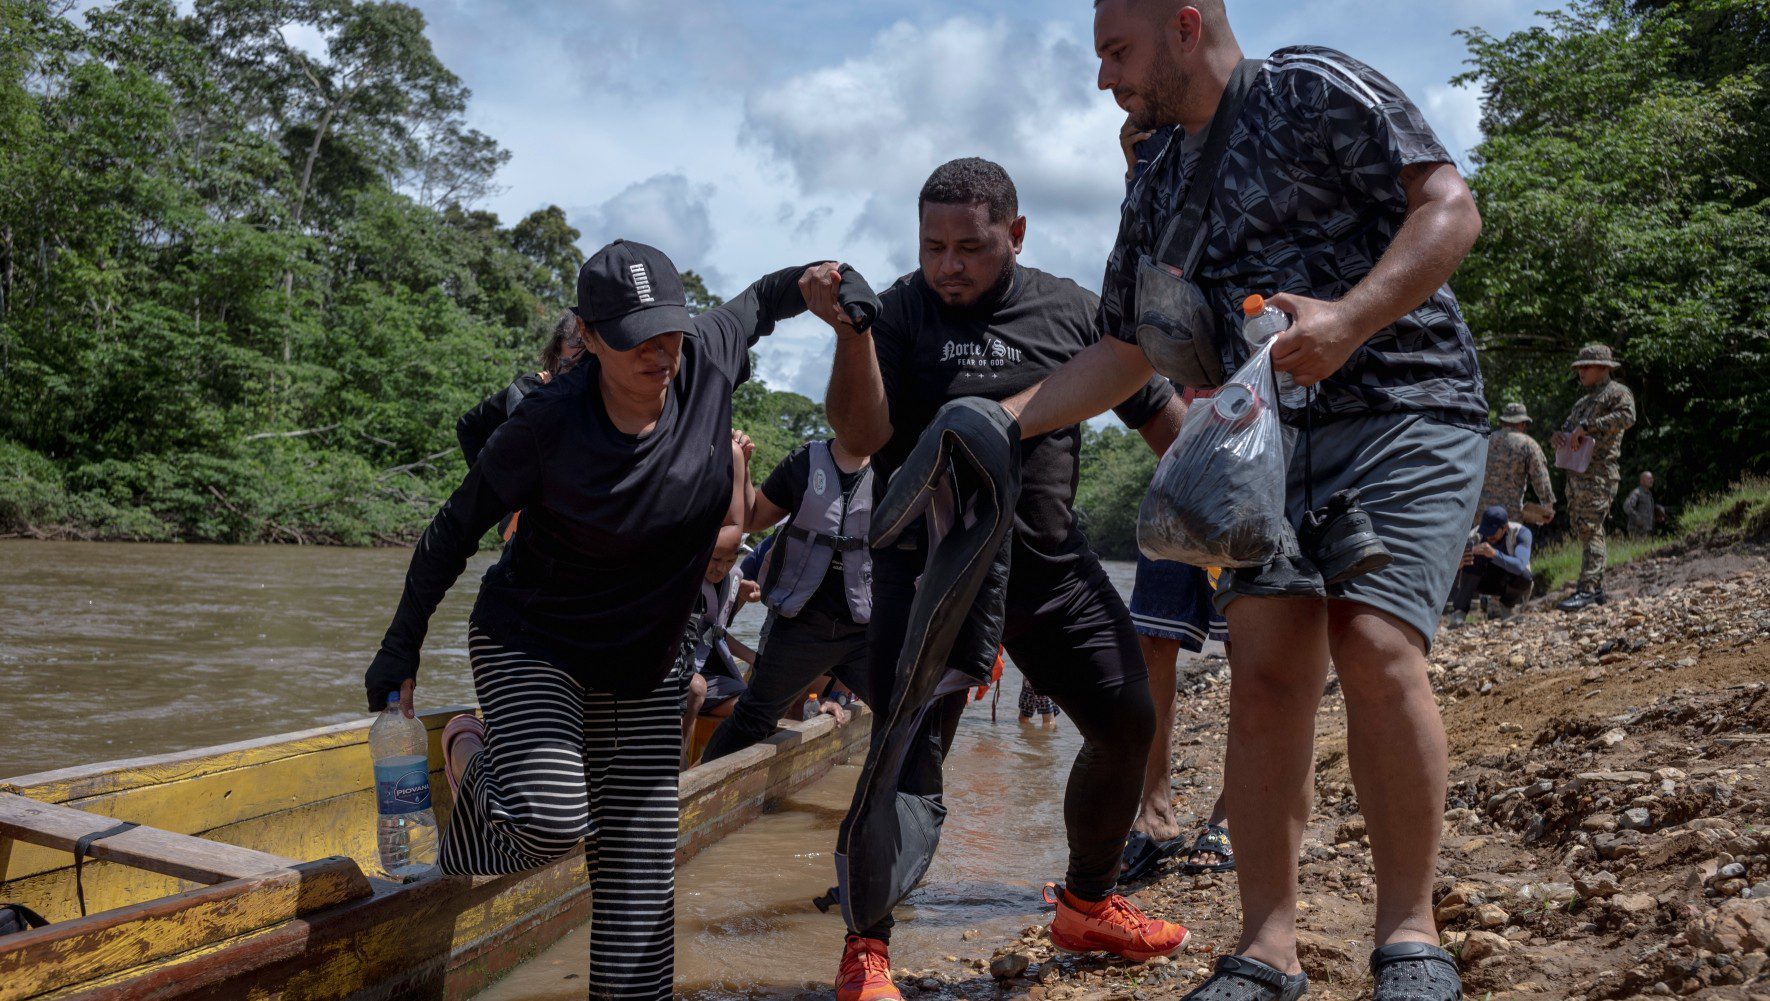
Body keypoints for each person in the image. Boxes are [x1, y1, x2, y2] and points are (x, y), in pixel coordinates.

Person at [998, 3, 1490, 998]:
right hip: (1263, 448)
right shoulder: (1159, 176)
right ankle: (1267, 949)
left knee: (1374, 640)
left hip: (1402, 407)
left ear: (1184, 26)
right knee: (1265, 668)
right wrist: (1000, 423)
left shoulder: (1314, 88)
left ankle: (1411, 935)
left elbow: (1449, 207)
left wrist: (1351, 318)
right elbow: (1125, 349)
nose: (1103, 80)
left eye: (1115, 52)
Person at [361, 240, 868, 1000]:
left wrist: (830, 285)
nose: (662, 355)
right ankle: (472, 765)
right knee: (550, 816)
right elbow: (452, 529)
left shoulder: (705, 359)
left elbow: (766, 298)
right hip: (533, 641)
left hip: (649, 662)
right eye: (637, 339)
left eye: (671, 332)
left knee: (638, 930)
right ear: (590, 338)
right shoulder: (545, 424)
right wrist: (400, 644)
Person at [814, 155, 1191, 1001]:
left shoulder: (1073, 311)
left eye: (972, 247)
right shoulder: (901, 311)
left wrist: (1223, 498)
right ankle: (866, 948)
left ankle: (1087, 903)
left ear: (1015, 234)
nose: (949, 264)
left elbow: (1163, 417)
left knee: (1127, 721)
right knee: (904, 758)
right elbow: (863, 434)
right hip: (929, 580)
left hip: (1049, 569)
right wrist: (850, 335)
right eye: (933, 244)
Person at [1118, 115, 1233, 884]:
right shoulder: (1150, 218)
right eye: (1133, 151)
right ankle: (1150, 804)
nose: (1144, 159)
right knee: (1152, 634)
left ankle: (1232, 813)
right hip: (1187, 459)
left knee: (1261, 638)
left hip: (1263, 449)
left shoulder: (1243, 191)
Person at [698, 435, 876, 762]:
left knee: (908, 714)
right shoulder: (805, 460)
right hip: (802, 624)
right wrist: (743, 466)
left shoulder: (896, 467)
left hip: (866, 630)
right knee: (754, 716)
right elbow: (752, 518)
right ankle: (695, 796)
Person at [1553, 344, 1637, 611]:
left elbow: (1627, 417)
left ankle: (1588, 590)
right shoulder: (1582, 403)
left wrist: (1589, 426)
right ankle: (1594, 590)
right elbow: (1567, 428)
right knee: (1583, 528)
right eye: (1579, 368)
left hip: (1599, 474)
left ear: (1604, 368)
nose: (1581, 372)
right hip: (1578, 475)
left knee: (1591, 529)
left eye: (1586, 367)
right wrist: (1558, 436)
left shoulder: (1617, 393)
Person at [456, 312, 587, 466]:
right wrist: (486, 479)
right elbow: (467, 425)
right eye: (578, 341)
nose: (579, 374)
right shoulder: (528, 390)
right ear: (557, 350)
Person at [1448, 505, 1534, 625]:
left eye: (1492, 533)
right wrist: (1458, 564)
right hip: (1484, 581)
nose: (1489, 537)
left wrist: (1494, 554)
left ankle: (1507, 607)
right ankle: (1459, 612)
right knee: (1471, 559)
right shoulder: (1475, 535)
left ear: (1504, 528)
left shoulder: (1520, 533)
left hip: (1509, 581)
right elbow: (1449, 566)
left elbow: (1519, 566)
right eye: (1486, 532)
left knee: (1525, 576)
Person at [1479, 403, 1555, 524]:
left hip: (1481, 512)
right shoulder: (1528, 445)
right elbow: (1541, 478)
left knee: (1480, 542)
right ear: (1523, 424)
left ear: (1503, 422)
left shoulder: (1487, 440)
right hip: (1508, 515)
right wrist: (1547, 507)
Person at [1624, 470, 1664, 538]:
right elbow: (1627, 507)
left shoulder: (1648, 493)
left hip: (1646, 530)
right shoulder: (1637, 493)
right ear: (1641, 481)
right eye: (1649, 478)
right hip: (1636, 531)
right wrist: (1637, 518)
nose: (1651, 480)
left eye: (1652, 478)